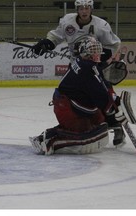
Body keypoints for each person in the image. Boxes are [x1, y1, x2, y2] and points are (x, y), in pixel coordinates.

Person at [31, 0, 125, 146]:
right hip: (77, 64)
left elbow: (114, 45)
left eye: (87, 7)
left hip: (96, 65)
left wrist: (97, 57)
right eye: (81, 8)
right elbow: (56, 36)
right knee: (80, 95)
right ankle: (81, 119)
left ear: (91, 9)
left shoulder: (101, 26)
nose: (84, 11)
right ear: (77, 9)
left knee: (105, 93)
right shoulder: (68, 21)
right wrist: (46, 43)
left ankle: (116, 126)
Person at [30, 37, 127, 155]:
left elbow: (101, 85)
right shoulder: (88, 69)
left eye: (97, 51)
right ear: (86, 53)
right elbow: (101, 96)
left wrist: (113, 103)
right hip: (66, 107)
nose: (96, 54)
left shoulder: (86, 64)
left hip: (73, 105)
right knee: (86, 138)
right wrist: (113, 108)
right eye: (93, 51)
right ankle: (50, 140)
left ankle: (53, 134)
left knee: (100, 125)